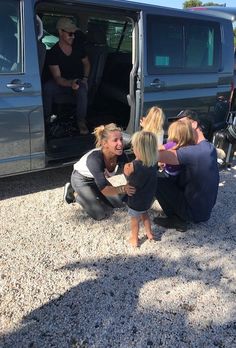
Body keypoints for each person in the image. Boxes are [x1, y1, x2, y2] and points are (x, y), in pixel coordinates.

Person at [154, 110, 219, 231]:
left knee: (154, 180)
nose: (178, 128)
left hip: (193, 213)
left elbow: (153, 154)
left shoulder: (195, 151)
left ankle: (177, 219)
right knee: (169, 176)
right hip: (204, 211)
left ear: (194, 125)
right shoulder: (208, 147)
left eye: (181, 123)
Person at [64, 123, 136, 220]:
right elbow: (105, 190)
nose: (120, 143)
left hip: (98, 180)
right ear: (104, 143)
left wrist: (134, 186)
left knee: (119, 204)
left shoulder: (121, 155)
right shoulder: (95, 159)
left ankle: (92, 193)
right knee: (99, 214)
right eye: (115, 140)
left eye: (121, 139)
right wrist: (124, 188)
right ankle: (73, 193)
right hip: (81, 180)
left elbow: (130, 176)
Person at [43, 17, 90, 134]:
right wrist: (70, 83)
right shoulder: (53, 53)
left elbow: (87, 64)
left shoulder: (78, 48)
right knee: (47, 87)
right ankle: (46, 118)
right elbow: (58, 78)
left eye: (74, 33)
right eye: (70, 34)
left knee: (82, 89)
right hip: (62, 83)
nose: (73, 36)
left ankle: (81, 121)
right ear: (60, 32)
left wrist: (85, 79)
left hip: (77, 81)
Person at [124, 131, 158, 247]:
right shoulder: (153, 163)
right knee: (145, 214)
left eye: (134, 146)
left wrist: (125, 169)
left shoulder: (134, 165)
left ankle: (134, 239)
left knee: (135, 219)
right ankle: (149, 234)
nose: (132, 148)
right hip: (148, 197)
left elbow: (128, 176)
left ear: (139, 149)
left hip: (136, 198)